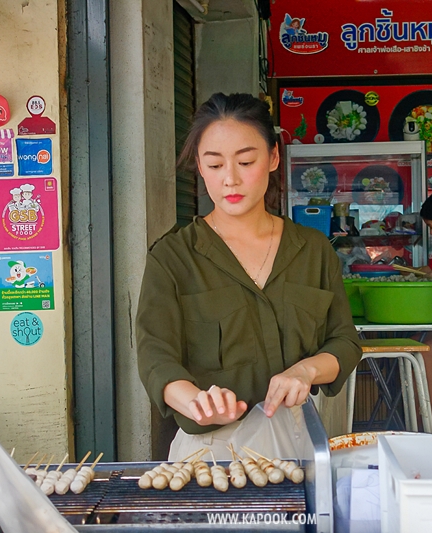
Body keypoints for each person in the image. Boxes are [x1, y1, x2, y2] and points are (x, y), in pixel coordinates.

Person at [136, 93, 362, 461]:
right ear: (199, 166)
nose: (230, 179)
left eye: (245, 161)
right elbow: (155, 357)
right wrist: (196, 402)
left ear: (273, 157)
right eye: (215, 164)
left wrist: (305, 371)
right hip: (208, 452)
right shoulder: (173, 257)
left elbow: (344, 341)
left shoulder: (312, 250)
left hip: (297, 442)